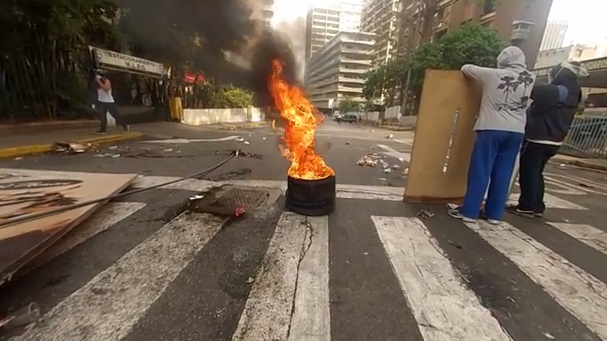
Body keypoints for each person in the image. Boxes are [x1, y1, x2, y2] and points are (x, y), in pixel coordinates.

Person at [448, 46, 535, 224]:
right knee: (503, 173)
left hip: (491, 129)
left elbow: (466, 68)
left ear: (502, 61)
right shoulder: (530, 78)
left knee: (481, 170)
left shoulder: (493, 74)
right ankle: (494, 214)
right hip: (517, 131)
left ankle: (470, 211)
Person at [510, 61, 587, 218]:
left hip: (539, 138)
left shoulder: (555, 91)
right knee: (537, 172)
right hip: (555, 140)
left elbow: (528, 88)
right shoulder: (574, 92)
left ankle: (526, 206)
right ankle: (537, 206)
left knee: (529, 171)